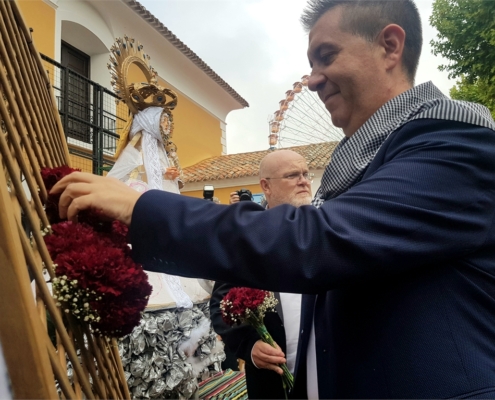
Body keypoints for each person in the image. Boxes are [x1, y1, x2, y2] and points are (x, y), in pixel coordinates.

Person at [51, 0, 495, 398]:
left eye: (326, 56)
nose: (315, 80)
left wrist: (139, 206)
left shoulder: (453, 143)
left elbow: (318, 243)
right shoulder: (369, 158)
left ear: (390, 46)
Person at [210, 150, 311, 399]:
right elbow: (221, 306)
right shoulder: (245, 239)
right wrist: (250, 345)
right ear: (266, 186)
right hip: (272, 383)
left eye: (306, 174)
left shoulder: (327, 230)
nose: (304, 180)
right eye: (292, 175)